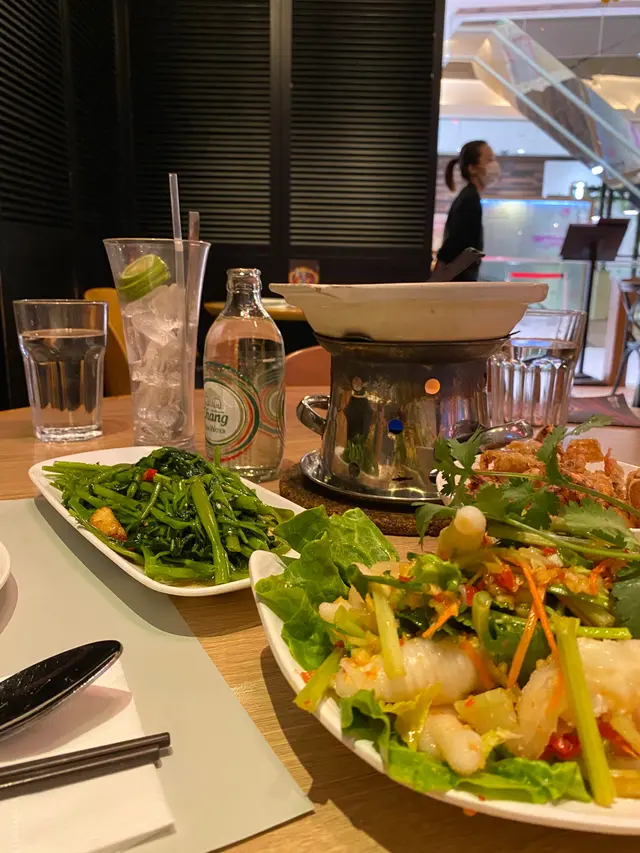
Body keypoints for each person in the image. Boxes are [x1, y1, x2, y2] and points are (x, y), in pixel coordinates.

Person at [436, 140, 500, 282]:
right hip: (459, 280)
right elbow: (454, 243)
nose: (494, 165)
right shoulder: (469, 200)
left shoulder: (469, 196)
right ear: (472, 168)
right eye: (489, 159)